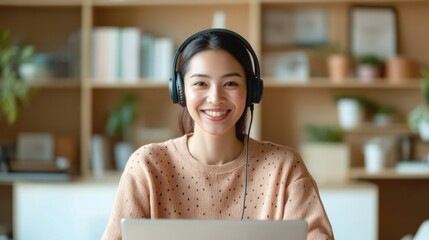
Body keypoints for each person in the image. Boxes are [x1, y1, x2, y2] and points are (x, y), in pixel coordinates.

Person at [102, 28, 334, 240]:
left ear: (251, 91)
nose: (215, 98)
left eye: (230, 83)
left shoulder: (285, 168)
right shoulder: (147, 166)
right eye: (201, 84)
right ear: (180, 92)